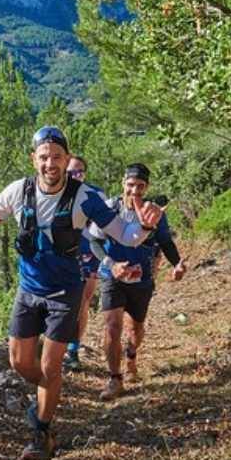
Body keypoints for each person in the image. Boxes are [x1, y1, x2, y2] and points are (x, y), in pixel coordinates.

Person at [0, 127, 161, 460]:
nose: (50, 163)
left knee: (49, 365)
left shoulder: (85, 197)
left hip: (65, 293)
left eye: (57, 157)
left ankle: (41, 434)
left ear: (66, 159)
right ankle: (49, 391)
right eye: (44, 157)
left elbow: (126, 235)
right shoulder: (19, 191)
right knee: (19, 363)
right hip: (28, 290)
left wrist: (145, 226)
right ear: (34, 159)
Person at [87, 163, 186, 401]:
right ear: (123, 183)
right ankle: (114, 378)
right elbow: (94, 241)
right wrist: (111, 264)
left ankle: (131, 356)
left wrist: (177, 263)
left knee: (135, 328)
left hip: (142, 278)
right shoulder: (110, 208)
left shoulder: (155, 213)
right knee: (112, 325)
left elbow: (165, 242)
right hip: (113, 276)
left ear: (147, 187)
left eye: (140, 186)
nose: (135, 191)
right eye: (131, 185)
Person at [63, 155, 100, 373]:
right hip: (61, 255)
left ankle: (73, 350)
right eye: (70, 173)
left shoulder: (95, 194)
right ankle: (54, 345)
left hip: (88, 253)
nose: (75, 176)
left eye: (79, 172)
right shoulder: (52, 193)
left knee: (82, 302)